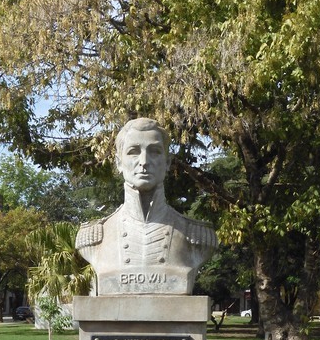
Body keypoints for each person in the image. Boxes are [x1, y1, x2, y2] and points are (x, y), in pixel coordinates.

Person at [76, 118, 217, 295]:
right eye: (133, 152)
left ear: (167, 163)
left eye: (155, 151)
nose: (144, 161)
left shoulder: (197, 236)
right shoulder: (94, 237)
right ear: (119, 163)